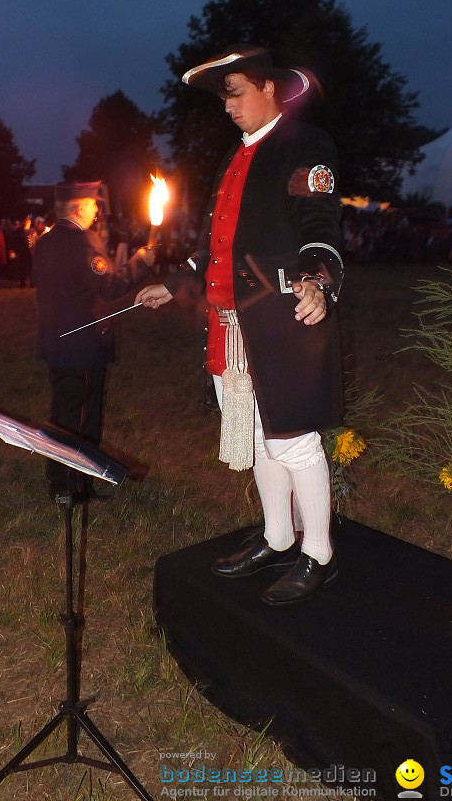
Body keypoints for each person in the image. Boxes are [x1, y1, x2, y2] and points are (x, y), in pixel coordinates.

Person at [136, 45, 344, 606]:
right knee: (257, 437)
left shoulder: (303, 146)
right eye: (223, 96)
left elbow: (319, 224)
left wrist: (317, 282)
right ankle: (278, 537)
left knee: (293, 440)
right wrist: (177, 282)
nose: (227, 106)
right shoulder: (238, 156)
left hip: (283, 320)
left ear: (269, 88)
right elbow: (217, 250)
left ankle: (317, 552)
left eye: (235, 93)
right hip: (231, 327)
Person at [33, 181, 155, 499]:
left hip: (55, 342)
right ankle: (75, 486)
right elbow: (109, 288)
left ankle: (58, 479)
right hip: (82, 346)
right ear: (77, 207)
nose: (97, 210)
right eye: (92, 204)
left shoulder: (45, 242)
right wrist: (142, 262)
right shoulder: (83, 241)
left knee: (62, 412)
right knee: (81, 419)